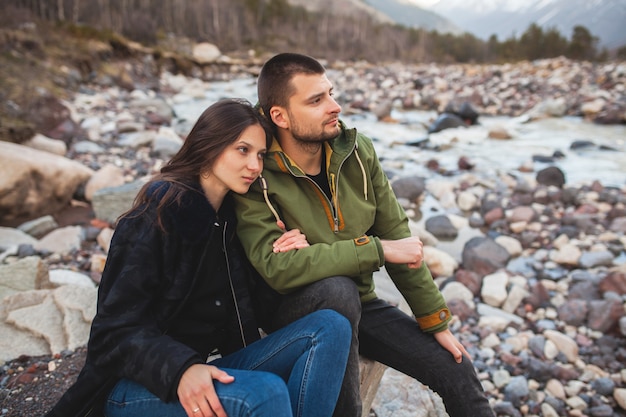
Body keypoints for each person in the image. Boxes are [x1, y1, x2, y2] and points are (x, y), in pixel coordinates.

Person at [44, 98, 351, 417]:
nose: (255, 166)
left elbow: (246, 306)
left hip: (199, 368)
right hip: (132, 386)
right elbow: (113, 331)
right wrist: (180, 369)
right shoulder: (158, 214)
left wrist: (280, 254)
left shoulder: (229, 219)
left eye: (260, 155)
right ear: (208, 146)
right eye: (242, 150)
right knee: (264, 392)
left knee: (331, 327)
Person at [233, 53, 496, 417]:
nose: (335, 107)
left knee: (456, 368)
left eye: (331, 93)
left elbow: (397, 235)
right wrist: (375, 250)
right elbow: (278, 269)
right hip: (289, 313)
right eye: (316, 100)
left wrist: (434, 319)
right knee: (336, 290)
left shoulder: (356, 152)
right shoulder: (255, 171)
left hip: (360, 303)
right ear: (279, 116)